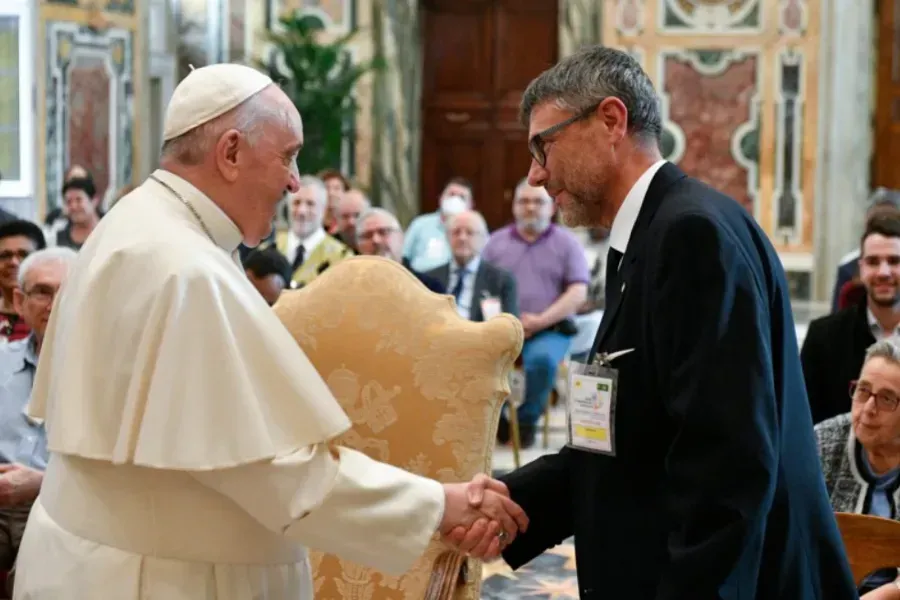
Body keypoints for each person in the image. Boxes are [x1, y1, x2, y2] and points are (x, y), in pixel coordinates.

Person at [12, 63, 527, 599]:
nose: (294, 180)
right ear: (230, 152)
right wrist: (441, 504)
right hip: (155, 581)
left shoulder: (133, 224)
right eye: (287, 155)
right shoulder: (185, 268)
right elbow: (274, 472)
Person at [450, 45, 857, 599]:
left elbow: (727, 468)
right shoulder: (647, 238)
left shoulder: (691, 235)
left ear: (611, 121)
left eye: (543, 145)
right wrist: (510, 500)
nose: (535, 175)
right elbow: (625, 439)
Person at [814, 338, 900, 595]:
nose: (868, 408)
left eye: (886, 399)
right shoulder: (821, 442)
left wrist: (891, 592)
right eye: (863, 390)